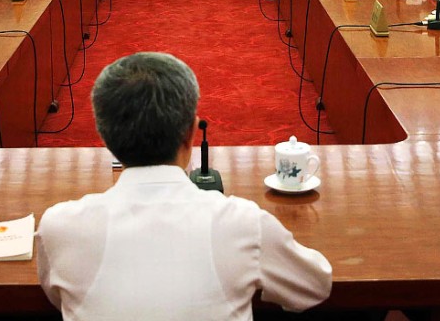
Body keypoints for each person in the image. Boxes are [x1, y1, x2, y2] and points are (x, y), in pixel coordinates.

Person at [36, 52, 332, 321]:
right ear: (192, 133)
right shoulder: (244, 224)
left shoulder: (59, 226)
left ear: (105, 138)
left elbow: (55, 296)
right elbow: (315, 285)